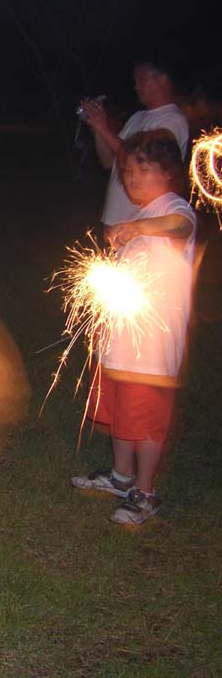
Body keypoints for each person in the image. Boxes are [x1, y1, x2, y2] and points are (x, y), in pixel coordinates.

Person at [71, 130, 196, 525]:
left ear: (168, 171)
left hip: (152, 347)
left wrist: (139, 230)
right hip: (121, 339)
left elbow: (180, 227)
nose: (133, 178)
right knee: (120, 409)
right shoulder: (141, 214)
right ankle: (121, 476)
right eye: (128, 171)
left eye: (144, 170)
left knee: (146, 417)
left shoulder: (175, 208)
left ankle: (146, 492)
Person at [80, 60, 189, 231]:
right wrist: (97, 127)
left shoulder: (173, 119)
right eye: (135, 81)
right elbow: (109, 161)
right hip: (114, 217)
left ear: (163, 80)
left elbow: (144, 160)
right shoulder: (137, 117)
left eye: (142, 80)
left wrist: (103, 127)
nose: (136, 87)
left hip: (141, 223)